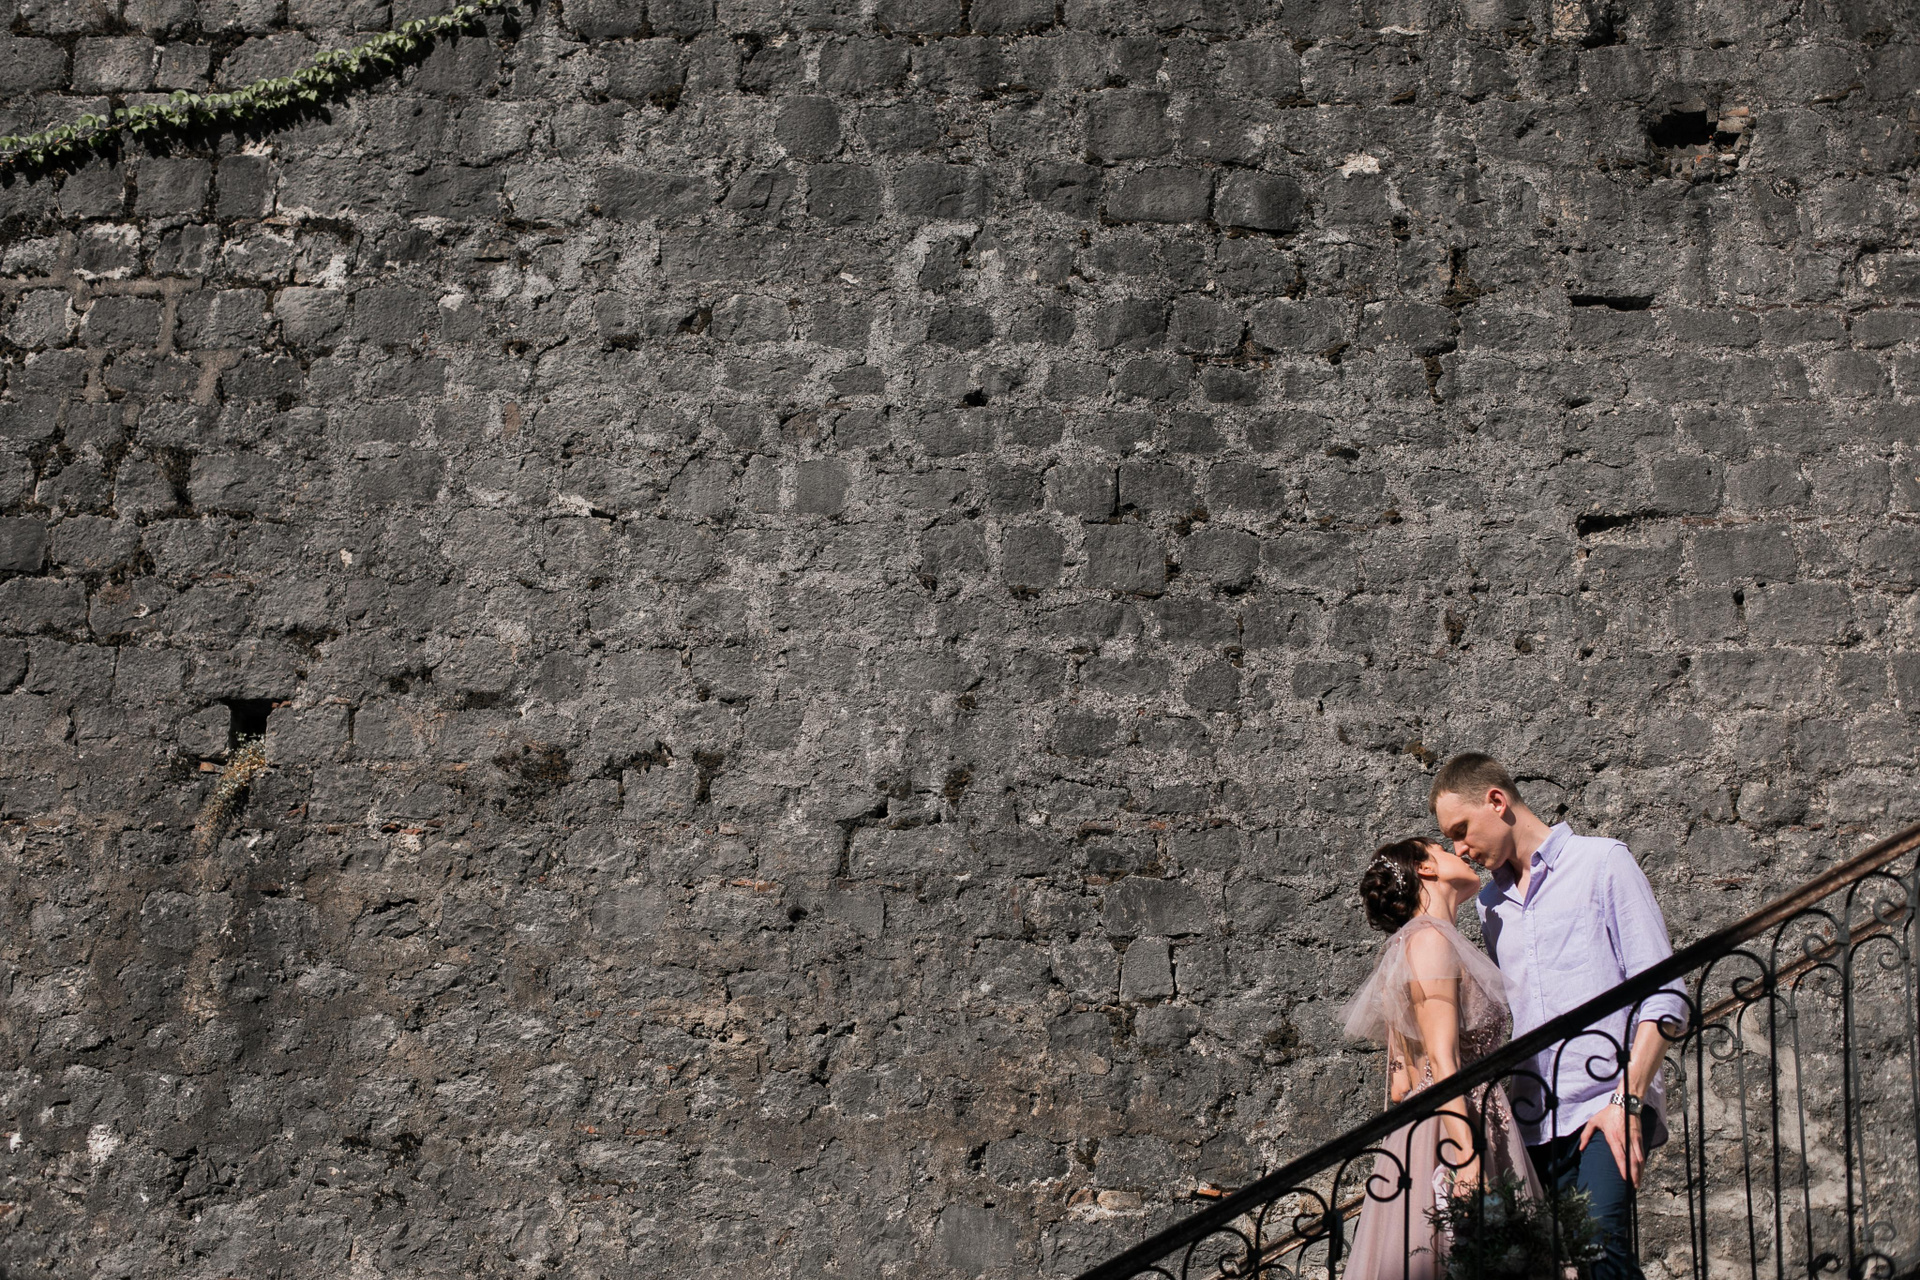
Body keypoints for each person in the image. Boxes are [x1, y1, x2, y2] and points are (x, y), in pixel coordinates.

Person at [1429, 752, 1688, 1280]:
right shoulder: (1489, 906)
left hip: (1606, 1102)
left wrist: (1626, 1100)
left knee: (1600, 1250)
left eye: (1460, 830)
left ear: (1496, 801)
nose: (1459, 849)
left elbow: (1665, 996)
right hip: (1532, 1124)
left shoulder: (1603, 862)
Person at [1341, 836, 1544, 1280]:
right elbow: (1443, 1060)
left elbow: (1400, 1085)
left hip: (1436, 1124)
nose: (1462, 853)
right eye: (1443, 848)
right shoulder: (1430, 940)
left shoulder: (1413, 943)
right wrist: (1467, 1157)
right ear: (1425, 868)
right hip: (1455, 1127)